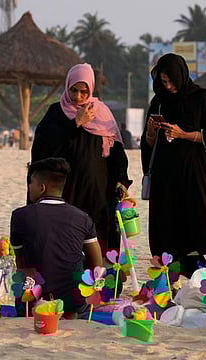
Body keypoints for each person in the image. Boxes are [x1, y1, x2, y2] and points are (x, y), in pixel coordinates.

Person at [31, 63, 131, 256]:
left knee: (97, 245)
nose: (78, 97)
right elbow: (43, 151)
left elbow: (117, 154)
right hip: (67, 192)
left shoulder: (103, 114)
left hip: (98, 194)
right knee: (67, 244)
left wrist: (122, 181)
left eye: (83, 92)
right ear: (67, 87)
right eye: (73, 90)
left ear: (91, 89)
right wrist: (76, 123)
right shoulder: (55, 113)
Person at [140, 53, 206, 277]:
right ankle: (169, 278)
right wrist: (151, 130)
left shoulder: (200, 98)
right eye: (164, 81)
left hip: (194, 175)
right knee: (166, 226)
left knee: (199, 225)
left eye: (172, 81)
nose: (169, 86)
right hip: (165, 177)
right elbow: (148, 144)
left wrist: (183, 134)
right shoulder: (158, 102)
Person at [10, 157, 103, 317]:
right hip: (73, 302)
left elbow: (21, 262)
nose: (29, 187)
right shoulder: (82, 218)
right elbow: (97, 263)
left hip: (32, 300)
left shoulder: (20, 216)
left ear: (41, 187)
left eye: (31, 183)